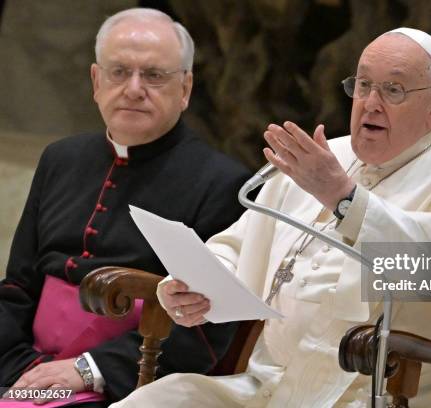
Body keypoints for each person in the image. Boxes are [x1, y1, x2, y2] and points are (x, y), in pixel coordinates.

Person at [113, 27, 431, 407]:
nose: (370, 103)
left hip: (380, 394)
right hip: (269, 384)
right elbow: (237, 247)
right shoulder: (324, 159)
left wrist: (343, 198)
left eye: (393, 89)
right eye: (362, 85)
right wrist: (191, 287)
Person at [0, 8, 250, 407]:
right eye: (119, 72)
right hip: (26, 366)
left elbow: (207, 332)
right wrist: (16, 366)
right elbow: (18, 287)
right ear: (97, 82)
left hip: (130, 380)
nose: (134, 88)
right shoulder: (60, 159)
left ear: (185, 89)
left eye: (154, 75)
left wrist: (87, 370)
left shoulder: (223, 183)